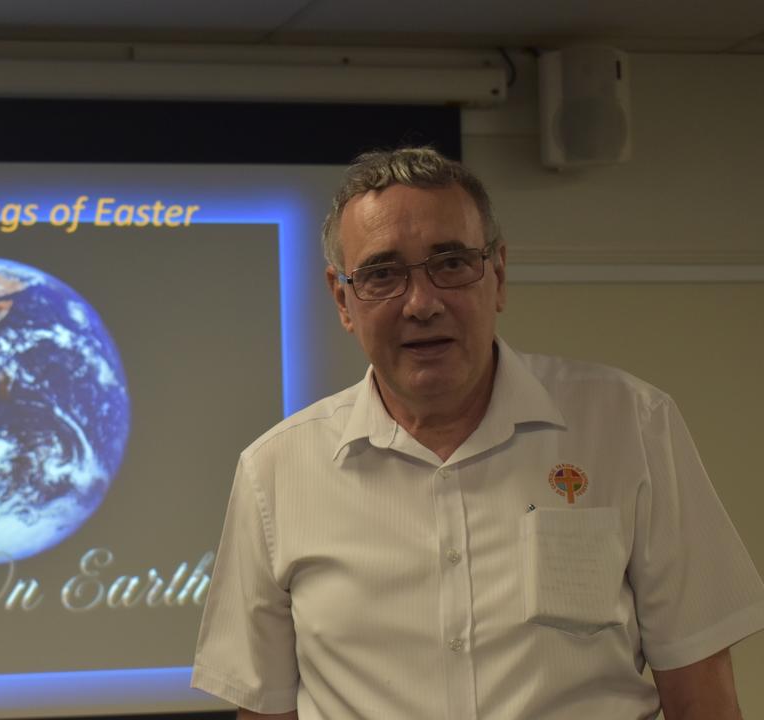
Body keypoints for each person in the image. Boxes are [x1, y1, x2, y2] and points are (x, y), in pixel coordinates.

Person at [191, 147, 764, 719]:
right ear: (343, 299)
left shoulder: (632, 426)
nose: (421, 303)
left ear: (499, 274)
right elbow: (265, 711)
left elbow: (701, 695)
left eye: (451, 263)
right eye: (383, 274)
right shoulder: (275, 472)